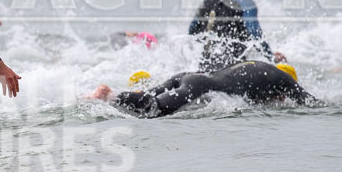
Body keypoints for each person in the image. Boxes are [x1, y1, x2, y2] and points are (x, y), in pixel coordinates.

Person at [89, 61, 314, 118]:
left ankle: (102, 95)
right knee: (155, 110)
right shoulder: (284, 80)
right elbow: (313, 104)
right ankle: (108, 94)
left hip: (188, 76)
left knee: (149, 96)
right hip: (199, 85)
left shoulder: (259, 68)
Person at [188, 0, 286, 71]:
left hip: (205, 66)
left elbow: (192, 29)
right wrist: (271, 57)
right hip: (232, 69)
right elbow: (255, 35)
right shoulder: (246, 3)